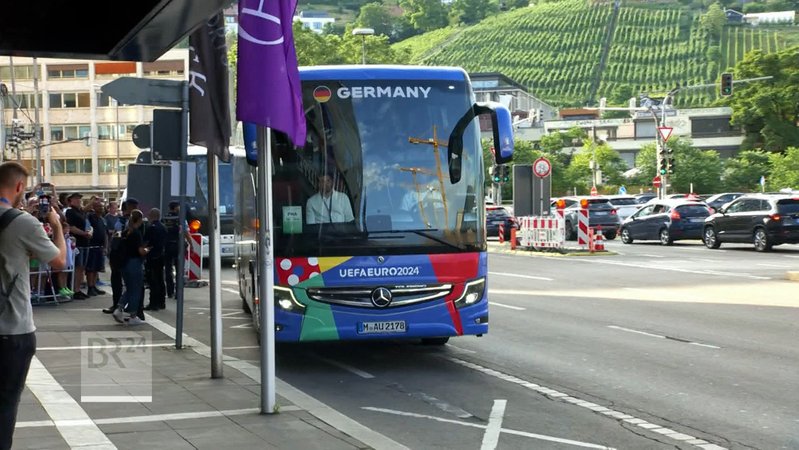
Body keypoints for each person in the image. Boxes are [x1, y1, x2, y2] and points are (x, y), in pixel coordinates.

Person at [0, 162, 67, 450]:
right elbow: (59, 261)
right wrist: (56, 225)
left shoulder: (21, 221)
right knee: (5, 404)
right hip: (12, 330)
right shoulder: (24, 223)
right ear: (18, 187)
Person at [111, 209, 149, 325]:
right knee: (136, 289)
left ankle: (119, 308)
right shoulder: (136, 233)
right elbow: (140, 251)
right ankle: (133, 315)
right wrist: (147, 250)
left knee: (129, 288)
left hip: (124, 263)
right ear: (140, 220)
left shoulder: (125, 232)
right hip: (134, 263)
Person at [64, 193, 90, 299]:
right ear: (71, 201)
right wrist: (84, 233)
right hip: (77, 243)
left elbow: (87, 224)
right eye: (76, 199)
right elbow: (71, 227)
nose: (79, 200)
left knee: (82, 267)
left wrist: (89, 232)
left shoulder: (81, 212)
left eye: (79, 198)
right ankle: (75, 289)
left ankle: (78, 288)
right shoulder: (70, 212)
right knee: (78, 267)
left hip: (85, 242)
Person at [143, 208, 166, 311]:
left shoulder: (150, 228)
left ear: (152, 216)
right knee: (160, 279)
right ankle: (161, 302)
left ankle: (153, 303)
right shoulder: (163, 227)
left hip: (152, 256)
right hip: (161, 255)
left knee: (152, 280)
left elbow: (146, 242)